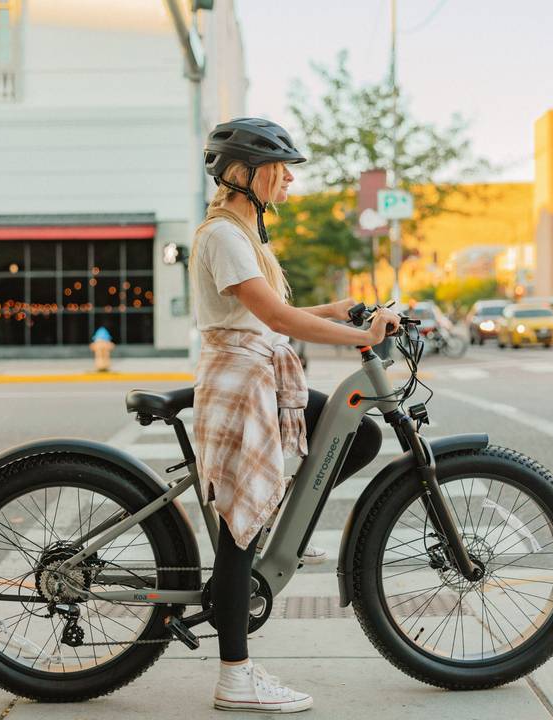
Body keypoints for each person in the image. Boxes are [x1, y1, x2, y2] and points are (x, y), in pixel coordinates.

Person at [188, 117, 401, 713]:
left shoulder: (243, 233)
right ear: (243, 173)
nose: (288, 179)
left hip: (253, 370)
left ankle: (286, 526)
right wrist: (356, 331)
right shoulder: (224, 235)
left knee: (356, 437)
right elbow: (274, 321)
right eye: (279, 168)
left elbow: (265, 311)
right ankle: (235, 677)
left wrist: (335, 309)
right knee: (240, 533)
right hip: (238, 383)